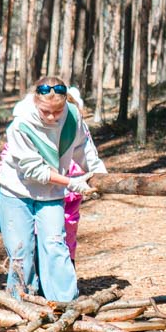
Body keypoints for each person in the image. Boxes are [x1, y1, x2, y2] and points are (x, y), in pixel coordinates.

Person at [0, 76, 106, 302]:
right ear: (36, 101)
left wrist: (99, 175)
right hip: (17, 192)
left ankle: (64, 302)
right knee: (21, 252)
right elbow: (34, 170)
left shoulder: (72, 116)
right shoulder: (21, 124)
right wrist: (72, 182)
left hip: (52, 194)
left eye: (56, 111)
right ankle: (20, 301)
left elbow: (82, 148)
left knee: (55, 245)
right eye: (45, 111)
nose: (50, 117)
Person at [59, 86, 102, 261]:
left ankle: (67, 269)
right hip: (49, 188)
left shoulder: (79, 125)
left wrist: (100, 177)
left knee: (68, 232)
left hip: (74, 186)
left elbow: (89, 153)